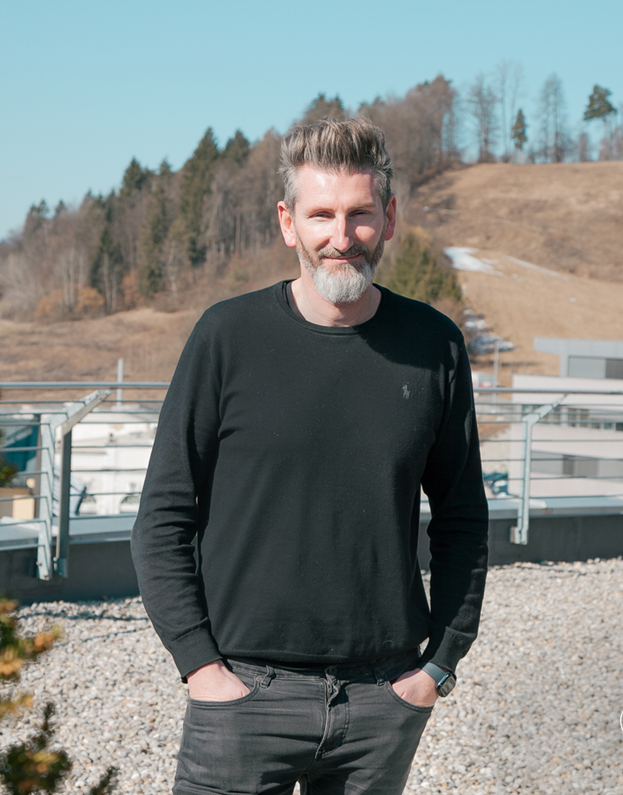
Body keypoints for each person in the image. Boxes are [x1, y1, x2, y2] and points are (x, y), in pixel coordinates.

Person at [131, 117, 489, 795]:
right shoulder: (227, 336)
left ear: (388, 218)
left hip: (384, 697)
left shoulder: (435, 345)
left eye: (359, 215)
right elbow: (163, 518)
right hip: (242, 692)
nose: (340, 236)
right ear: (287, 222)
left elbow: (463, 520)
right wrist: (201, 667)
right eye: (320, 214)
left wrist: (438, 665)